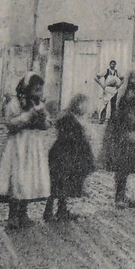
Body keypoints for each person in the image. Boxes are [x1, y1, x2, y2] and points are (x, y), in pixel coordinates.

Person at [0, 73, 54, 229]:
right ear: (27, 88)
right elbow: (10, 123)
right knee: (17, 178)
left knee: (29, 179)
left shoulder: (39, 104)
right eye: (36, 90)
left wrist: (43, 120)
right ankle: (12, 215)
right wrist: (29, 115)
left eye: (41, 90)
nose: (39, 93)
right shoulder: (15, 103)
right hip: (18, 144)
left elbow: (47, 124)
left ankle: (24, 214)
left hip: (33, 146)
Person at [101, 64, 135, 208]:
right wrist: (132, 130)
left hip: (130, 132)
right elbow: (128, 116)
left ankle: (122, 195)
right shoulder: (130, 95)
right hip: (125, 134)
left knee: (126, 167)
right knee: (123, 166)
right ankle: (119, 197)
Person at [47, 93, 94, 221]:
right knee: (57, 183)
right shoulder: (68, 119)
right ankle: (49, 211)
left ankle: (62, 209)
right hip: (63, 155)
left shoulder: (79, 118)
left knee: (64, 184)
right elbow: (68, 137)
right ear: (78, 104)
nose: (87, 108)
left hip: (71, 155)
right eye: (85, 105)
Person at [93, 59, 123, 124]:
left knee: (113, 106)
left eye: (114, 64)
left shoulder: (117, 72)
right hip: (107, 90)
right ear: (109, 65)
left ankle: (112, 121)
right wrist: (102, 85)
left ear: (115, 65)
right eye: (112, 64)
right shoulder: (106, 71)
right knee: (104, 105)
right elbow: (96, 77)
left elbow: (122, 79)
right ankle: (102, 119)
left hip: (114, 90)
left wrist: (119, 85)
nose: (113, 65)